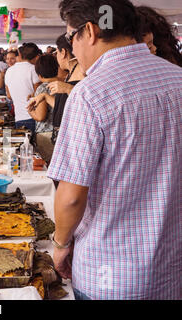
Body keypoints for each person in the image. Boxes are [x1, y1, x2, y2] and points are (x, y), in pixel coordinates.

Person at [49, 0, 182, 300]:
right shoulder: (177, 78)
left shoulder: (90, 92)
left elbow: (71, 198)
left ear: (91, 31)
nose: (73, 49)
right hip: (172, 269)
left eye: (72, 38)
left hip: (110, 273)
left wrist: (60, 245)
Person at [30, 33, 85, 145]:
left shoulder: (82, 73)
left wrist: (69, 89)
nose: (57, 58)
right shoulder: (69, 74)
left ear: (63, 52)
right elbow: (64, 105)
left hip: (73, 136)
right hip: (61, 134)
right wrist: (45, 96)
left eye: (57, 53)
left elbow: (86, 104)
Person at [27, 54, 60, 164]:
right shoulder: (63, 85)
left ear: (39, 74)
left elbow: (40, 117)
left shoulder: (42, 88)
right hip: (60, 132)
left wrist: (30, 111)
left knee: (49, 167)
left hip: (46, 135)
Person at [4, 44, 41, 133]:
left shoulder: (9, 71)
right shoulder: (33, 69)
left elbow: (9, 96)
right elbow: (39, 93)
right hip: (34, 116)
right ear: (36, 57)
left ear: (19, 54)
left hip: (19, 117)